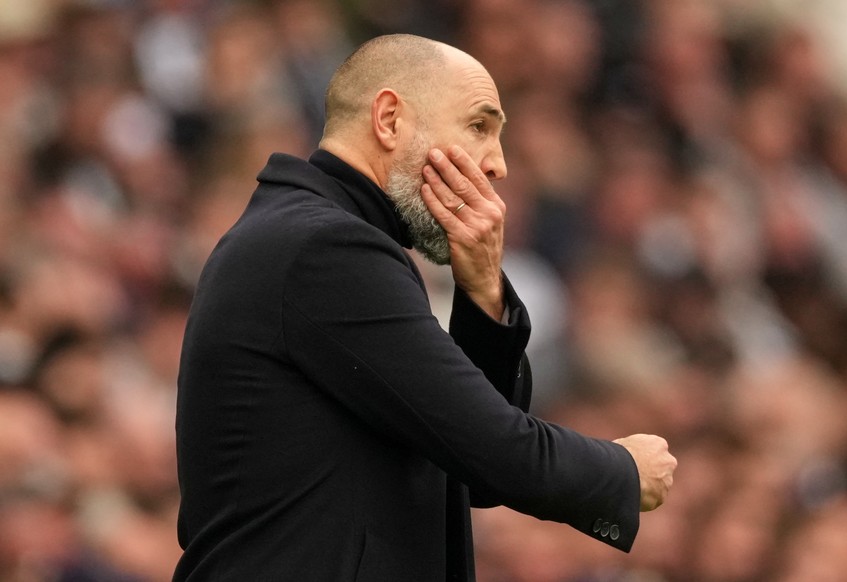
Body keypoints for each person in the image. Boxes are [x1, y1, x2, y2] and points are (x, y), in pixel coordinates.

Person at [173, 33, 676, 581]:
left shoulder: (318, 236)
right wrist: (621, 472)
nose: (498, 165)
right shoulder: (325, 249)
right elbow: (494, 451)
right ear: (389, 120)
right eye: (479, 127)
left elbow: (465, 465)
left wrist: (483, 293)